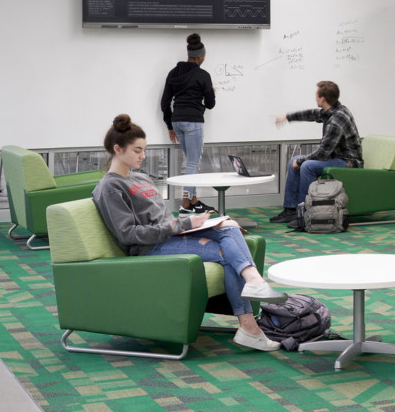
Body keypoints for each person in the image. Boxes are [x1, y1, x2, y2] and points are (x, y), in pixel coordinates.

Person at [90, 114, 286, 352]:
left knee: (228, 226)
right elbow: (128, 235)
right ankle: (250, 325)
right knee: (225, 253)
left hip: (171, 237)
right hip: (150, 249)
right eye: (137, 150)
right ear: (118, 149)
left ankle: (254, 287)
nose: (143, 156)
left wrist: (195, 223)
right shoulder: (110, 187)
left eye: (144, 150)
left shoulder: (139, 177)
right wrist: (182, 226)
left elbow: (163, 218)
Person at [270, 81, 363, 225]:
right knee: (294, 160)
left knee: (306, 165)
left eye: (316, 95)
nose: (315, 97)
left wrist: (301, 162)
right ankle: (291, 210)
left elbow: (323, 153)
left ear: (323, 98)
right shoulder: (332, 110)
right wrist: (288, 117)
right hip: (336, 157)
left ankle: (304, 212)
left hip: (348, 163)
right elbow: (311, 114)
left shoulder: (337, 120)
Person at [160, 33, 217, 214]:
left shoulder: (173, 73)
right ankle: (185, 205)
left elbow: (165, 103)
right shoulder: (203, 75)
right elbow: (210, 104)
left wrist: (170, 125)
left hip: (177, 121)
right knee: (193, 163)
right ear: (201, 56)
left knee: (191, 161)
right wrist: (211, 92)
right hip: (193, 123)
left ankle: (194, 201)